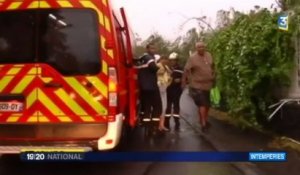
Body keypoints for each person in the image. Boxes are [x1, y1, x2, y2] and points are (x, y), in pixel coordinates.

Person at [182, 42, 215, 132]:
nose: (201, 48)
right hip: (197, 85)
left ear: (205, 47)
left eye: (202, 47)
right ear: (196, 48)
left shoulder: (209, 55)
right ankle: (203, 124)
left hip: (208, 84)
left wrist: (214, 76)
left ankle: (203, 120)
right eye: (199, 47)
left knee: (207, 105)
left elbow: (213, 66)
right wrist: (184, 81)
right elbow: (186, 70)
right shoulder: (192, 58)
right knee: (202, 104)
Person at [137, 43, 162, 127]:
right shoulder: (149, 58)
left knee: (147, 106)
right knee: (157, 106)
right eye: (151, 49)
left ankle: (146, 124)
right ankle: (154, 125)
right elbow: (154, 68)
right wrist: (161, 66)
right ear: (147, 49)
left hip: (143, 87)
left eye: (154, 49)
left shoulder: (141, 59)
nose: (153, 50)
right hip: (151, 86)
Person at [165, 52, 183, 131]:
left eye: (174, 60)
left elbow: (186, 78)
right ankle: (166, 123)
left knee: (176, 106)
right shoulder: (166, 68)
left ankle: (177, 122)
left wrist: (180, 80)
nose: (172, 62)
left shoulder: (180, 68)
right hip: (167, 90)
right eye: (171, 60)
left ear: (177, 60)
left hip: (177, 90)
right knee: (168, 107)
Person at [156, 55, 172, 131]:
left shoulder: (166, 67)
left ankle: (162, 125)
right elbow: (157, 73)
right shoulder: (157, 65)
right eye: (164, 59)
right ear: (161, 59)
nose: (166, 61)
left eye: (167, 60)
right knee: (159, 107)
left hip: (164, 88)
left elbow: (169, 76)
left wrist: (168, 82)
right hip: (158, 87)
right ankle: (158, 125)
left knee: (164, 107)